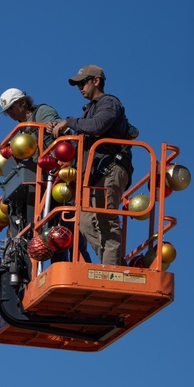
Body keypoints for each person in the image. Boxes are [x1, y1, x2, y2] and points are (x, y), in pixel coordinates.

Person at [46, 65, 132, 266]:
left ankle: (112, 273)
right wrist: (61, 132)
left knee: (106, 221)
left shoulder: (109, 102)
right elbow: (83, 141)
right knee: (85, 222)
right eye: (77, 84)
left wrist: (68, 122)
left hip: (111, 169)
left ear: (96, 81)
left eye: (82, 82)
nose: (79, 87)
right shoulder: (89, 111)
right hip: (94, 176)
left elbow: (97, 126)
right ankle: (113, 264)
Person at [0, 88, 62, 240]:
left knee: (64, 224)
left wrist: (52, 125)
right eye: (6, 112)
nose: (9, 114)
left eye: (11, 108)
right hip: (43, 177)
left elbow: (59, 126)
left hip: (59, 173)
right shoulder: (23, 129)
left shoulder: (42, 112)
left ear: (22, 103)